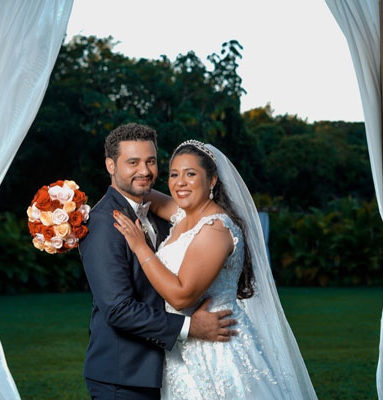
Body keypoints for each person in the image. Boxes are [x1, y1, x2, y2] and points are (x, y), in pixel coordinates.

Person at [113, 139, 318, 399]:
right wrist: (74, 200)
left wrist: (140, 247)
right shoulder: (183, 215)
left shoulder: (216, 229)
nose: (180, 182)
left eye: (190, 174)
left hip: (216, 350)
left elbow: (181, 296)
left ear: (212, 180)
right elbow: (136, 189)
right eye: (174, 174)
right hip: (182, 348)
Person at [79, 124, 238, 400]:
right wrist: (191, 327)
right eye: (133, 162)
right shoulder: (104, 223)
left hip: (165, 369)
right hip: (123, 375)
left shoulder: (158, 211)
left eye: (150, 161)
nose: (144, 170)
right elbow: (118, 309)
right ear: (110, 165)